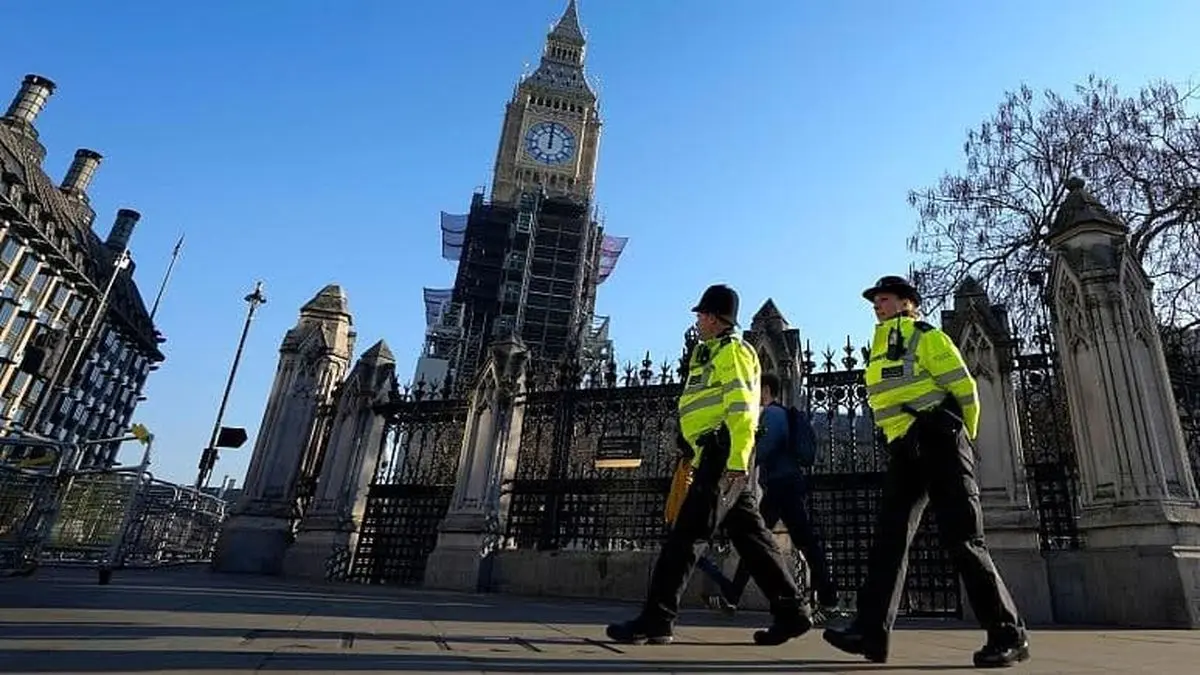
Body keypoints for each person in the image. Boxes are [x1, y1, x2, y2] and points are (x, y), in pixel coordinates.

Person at [822, 275, 1030, 668]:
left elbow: (965, 387)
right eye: (875, 301)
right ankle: (870, 633)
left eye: (882, 299)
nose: (876, 306)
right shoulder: (882, 348)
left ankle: (1008, 634)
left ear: (905, 303)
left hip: (940, 445)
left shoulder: (925, 337)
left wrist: (960, 437)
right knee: (889, 540)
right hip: (905, 450)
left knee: (964, 540)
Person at [606, 284, 812, 646]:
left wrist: (735, 462)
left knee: (685, 539)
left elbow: (742, 408)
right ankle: (792, 611)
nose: (698, 320)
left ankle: (657, 618)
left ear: (717, 320)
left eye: (702, 315)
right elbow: (703, 404)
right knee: (751, 537)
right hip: (709, 455)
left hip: (722, 456)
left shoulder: (734, 352)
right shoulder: (707, 353)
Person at [719, 372, 839, 618]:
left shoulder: (772, 415)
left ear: (765, 390)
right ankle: (828, 599)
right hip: (783, 485)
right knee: (776, 540)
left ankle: (828, 599)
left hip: (781, 486)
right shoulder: (779, 413)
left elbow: (764, 448)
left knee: (762, 539)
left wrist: (742, 457)